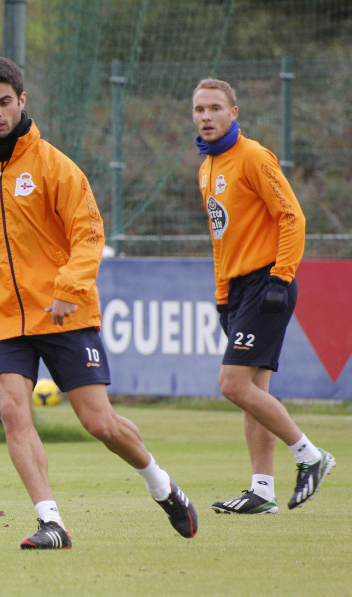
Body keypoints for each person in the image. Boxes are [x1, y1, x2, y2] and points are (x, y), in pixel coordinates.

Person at [0, 57, 198, 549]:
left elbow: (88, 233)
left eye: (5, 102)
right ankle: (53, 523)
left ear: (22, 101)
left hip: (63, 313)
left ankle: (162, 485)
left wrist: (69, 289)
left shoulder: (54, 166)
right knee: (11, 409)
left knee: (98, 422)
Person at [191, 78, 334, 514]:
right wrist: (221, 297)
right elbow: (221, 239)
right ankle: (262, 491)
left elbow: (292, 217)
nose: (206, 117)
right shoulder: (207, 168)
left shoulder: (252, 156)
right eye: (199, 110)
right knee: (254, 390)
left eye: (216, 108)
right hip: (238, 289)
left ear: (234, 113)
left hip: (267, 282)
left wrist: (279, 278)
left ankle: (311, 456)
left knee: (232, 384)